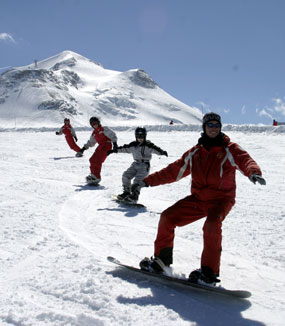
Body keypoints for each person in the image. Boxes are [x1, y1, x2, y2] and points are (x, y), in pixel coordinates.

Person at [138, 112, 266, 285]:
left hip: (221, 200)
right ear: (204, 127)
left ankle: (209, 272)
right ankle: (162, 261)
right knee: (167, 218)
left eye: (216, 125)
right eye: (210, 125)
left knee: (212, 226)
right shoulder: (195, 153)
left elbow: (245, 160)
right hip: (198, 199)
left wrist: (254, 173)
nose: (213, 128)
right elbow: (173, 171)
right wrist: (147, 181)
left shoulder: (230, 149)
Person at [107, 127, 168, 203]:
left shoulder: (148, 145)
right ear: (136, 136)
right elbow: (124, 148)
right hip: (135, 164)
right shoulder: (133, 145)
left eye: (142, 136)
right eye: (138, 137)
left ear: (145, 136)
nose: (140, 138)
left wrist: (162, 152)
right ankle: (126, 192)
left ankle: (134, 196)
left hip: (144, 165)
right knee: (126, 176)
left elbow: (156, 149)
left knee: (137, 181)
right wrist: (114, 150)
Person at [77, 117, 117, 184]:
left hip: (107, 146)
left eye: (95, 123)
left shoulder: (104, 129)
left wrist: (115, 144)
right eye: (92, 124)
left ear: (98, 122)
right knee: (92, 159)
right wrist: (83, 148)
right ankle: (93, 175)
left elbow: (112, 135)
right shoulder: (94, 133)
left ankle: (97, 177)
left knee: (98, 161)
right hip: (100, 146)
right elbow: (91, 142)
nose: (94, 125)